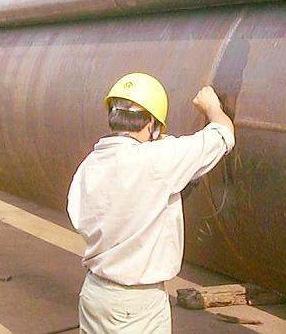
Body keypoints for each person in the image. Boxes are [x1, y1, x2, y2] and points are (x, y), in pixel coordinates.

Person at [67, 72, 235, 333]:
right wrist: (212, 108)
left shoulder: (89, 165)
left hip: (95, 293)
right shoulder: (157, 160)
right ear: (152, 125)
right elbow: (223, 134)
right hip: (137, 303)